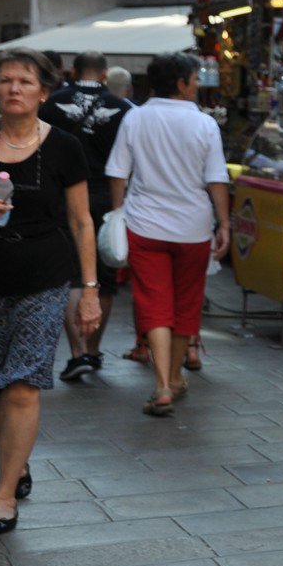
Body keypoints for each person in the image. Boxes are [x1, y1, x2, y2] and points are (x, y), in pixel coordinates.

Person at [0, 48, 100, 534]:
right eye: (6, 80)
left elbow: (81, 221)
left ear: (45, 92)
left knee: (21, 386)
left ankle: (3, 494)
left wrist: (90, 289)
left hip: (44, 278)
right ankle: (16, 461)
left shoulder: (64, 146)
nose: (14, 88)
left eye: (25, 82)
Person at [105, 52, 230, 417]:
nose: (198, 84)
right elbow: (216, 179)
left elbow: (117, 172)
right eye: (194, 78)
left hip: (144, 225)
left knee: (154, 304)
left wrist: (117, 215)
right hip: (192, 228)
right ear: (180, 83)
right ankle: (175, 379)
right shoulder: (204, 124)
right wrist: (224, 223)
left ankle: (160, 385)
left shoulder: (136, 117)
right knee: (186, 305)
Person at [40, 50, 130, 381]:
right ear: (105, 75)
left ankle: (76, 352)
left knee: (71, 275)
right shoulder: (123, 108)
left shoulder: (52, 103)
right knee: (101, 278)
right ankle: (93, 350)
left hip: (62, 196)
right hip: (106, 197)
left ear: (74, 71)